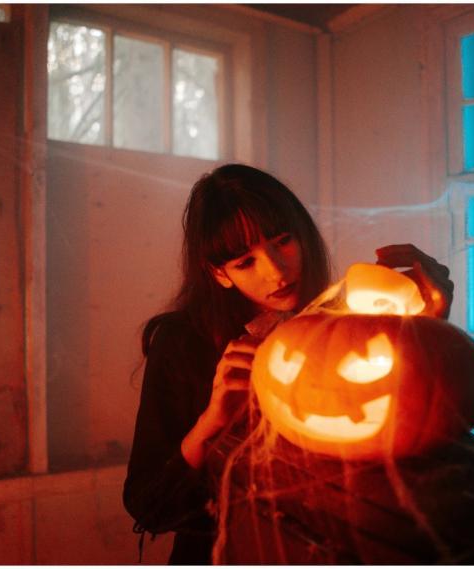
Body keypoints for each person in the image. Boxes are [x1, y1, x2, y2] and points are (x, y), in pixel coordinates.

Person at [123, 164, 454, 564]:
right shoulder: (183, 344)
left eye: (284, 241)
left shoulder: (346, 321)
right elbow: (150, 507)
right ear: (220, 274)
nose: (276, 271)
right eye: (246, 262)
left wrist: (429, 335)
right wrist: (212, 421)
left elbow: (397, 437)